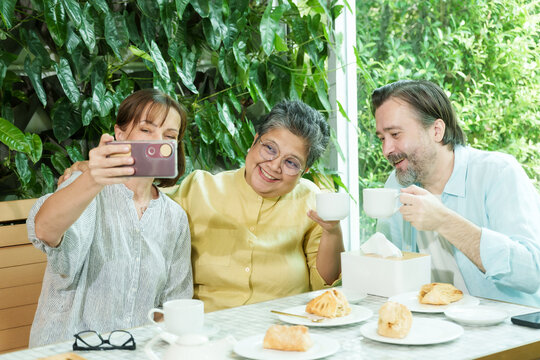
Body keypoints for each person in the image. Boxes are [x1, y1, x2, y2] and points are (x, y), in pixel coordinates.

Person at [60, 100, 344, 313]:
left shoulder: (311, 200)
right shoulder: (199, 187)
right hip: (208, 334)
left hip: (282, 327)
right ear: (254, 142)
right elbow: (142, 196)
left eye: (291, 162)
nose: (274, 165)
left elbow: (326, 285)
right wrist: (92, 170)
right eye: (269, 148)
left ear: (304, 171)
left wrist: (332, 232)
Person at [26, 89, 193, 346]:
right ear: (120, 133)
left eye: (169, 136)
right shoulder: (86, 188)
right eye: (146, 130)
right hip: (68, 351)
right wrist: (93, 176)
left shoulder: (175, 218)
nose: (158, 142)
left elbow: (173, 305)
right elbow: (45, 231)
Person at [371, 79, 540, 307]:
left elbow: (531, 273)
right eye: (382, 138)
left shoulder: (498, 173)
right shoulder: (396, 184)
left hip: (513, 333)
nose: (386, 150)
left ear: (436, 130)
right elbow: (389, 268)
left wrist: (444, 221)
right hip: (436, 329)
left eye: (395, 134)